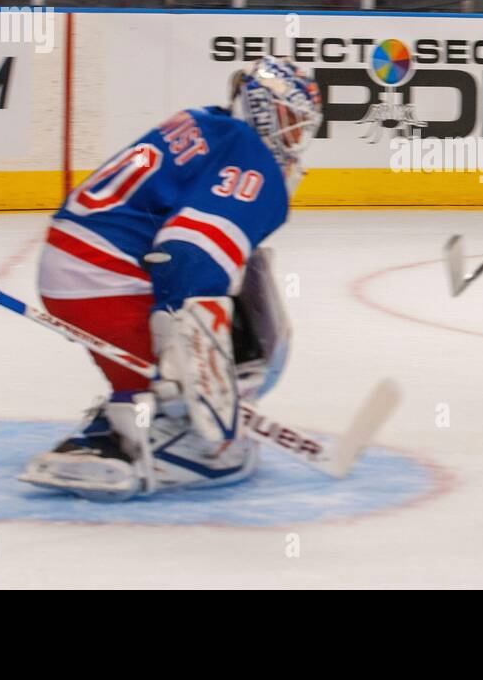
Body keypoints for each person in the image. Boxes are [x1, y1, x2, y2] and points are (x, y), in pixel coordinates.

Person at [21, 57, 323, 500]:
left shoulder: (205, 122)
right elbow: (189, 252)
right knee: (209, 392)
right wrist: (189, 353)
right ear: (264, 110)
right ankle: (143, 444)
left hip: (76, 264)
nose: (294, 141)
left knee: (164, 372)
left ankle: (118, 423)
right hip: (105, 275)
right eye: (291, 124)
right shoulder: (251, 153)